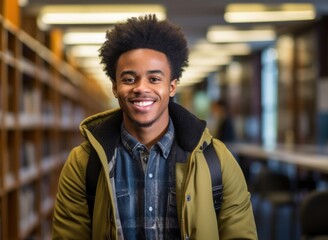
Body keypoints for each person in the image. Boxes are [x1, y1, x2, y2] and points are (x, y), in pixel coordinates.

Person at [52, 14, 257, 239]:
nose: (141, 88)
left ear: (171, 86)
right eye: (129, 79)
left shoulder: (217, 161)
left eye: (154, 79)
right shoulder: (83, 164)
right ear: (114, 87)